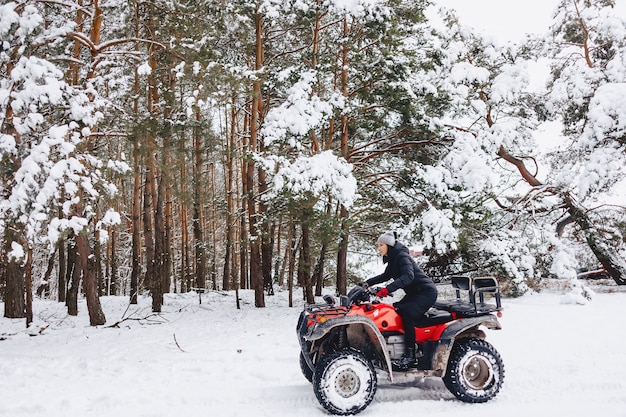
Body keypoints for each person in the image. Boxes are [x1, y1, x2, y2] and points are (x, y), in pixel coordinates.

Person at [365, 231, 438, 369]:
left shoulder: (402, 257)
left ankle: (410, 356)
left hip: (425, 293)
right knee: (396, 309)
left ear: (389, 246)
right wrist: (367, 283)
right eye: (378, 245)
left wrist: (387, 290)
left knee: (407, 314)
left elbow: (408, 276)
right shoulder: (394, 260)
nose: (379, 248)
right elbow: (385, 276)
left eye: (381, 245)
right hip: (415, 293)